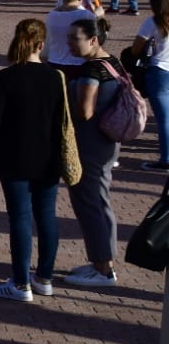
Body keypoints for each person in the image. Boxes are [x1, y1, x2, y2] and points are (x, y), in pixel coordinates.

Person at [0, 19, 68, 301]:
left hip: (13, 155)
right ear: (41, 45)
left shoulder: (4, 78)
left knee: (20, 217)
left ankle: (21, 283)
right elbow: (62, 121)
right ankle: (44, 277)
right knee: (47, 216)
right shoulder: (56, 77)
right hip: (48, 155)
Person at [64, 18, 123, 287]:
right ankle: (102, 261)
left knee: (90, 204)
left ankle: (103, 268)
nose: (69, 43)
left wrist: (65, 106)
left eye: (75, 38)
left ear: (93, 40)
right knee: (100, 201)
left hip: (90, 144)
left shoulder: (91, 70)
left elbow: (85, 111)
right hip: (107, 142)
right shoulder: (113, 63)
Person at [133, 0, 169, 171]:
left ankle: (166, 159)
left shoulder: (153, 23)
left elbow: (135, 49)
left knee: (164, 119)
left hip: (159, 72)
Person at [45, 0, 92, 79]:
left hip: (54, 62)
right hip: (78, 64)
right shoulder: (86, 15)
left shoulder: (52, 15)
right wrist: (100, 16)